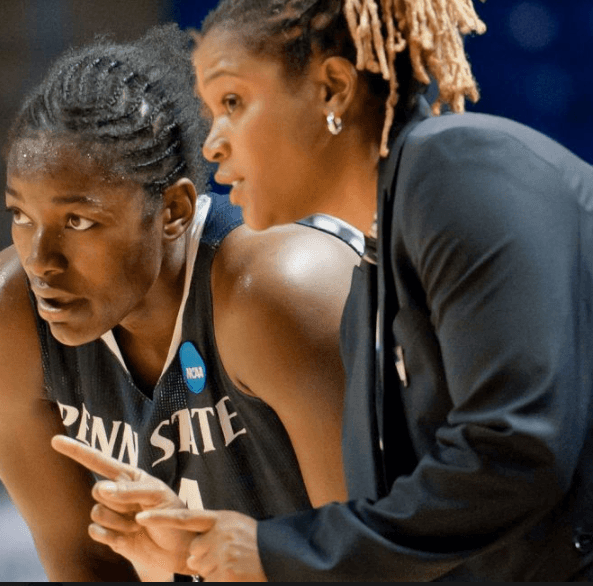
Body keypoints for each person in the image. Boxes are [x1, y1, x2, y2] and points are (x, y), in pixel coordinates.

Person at [68, 0, 593, 581]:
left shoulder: (459, 166)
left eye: (233, 102)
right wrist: (198, 554)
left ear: (332, 90)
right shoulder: (370, 283)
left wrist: (277, 551)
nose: (212, 144)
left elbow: (516, 454)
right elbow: (404, 531)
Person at [0, 24, 361, 581]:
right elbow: (86, 562)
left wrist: (189, 565)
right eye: (21, 216)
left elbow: (369, 562)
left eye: (79, 221)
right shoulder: (1, 322)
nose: (40, 260)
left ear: (174, 211)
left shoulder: (280, 294)